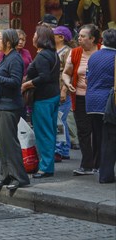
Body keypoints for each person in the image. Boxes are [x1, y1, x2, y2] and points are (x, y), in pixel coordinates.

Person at [0, 29, 30, 190]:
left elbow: (15, 83)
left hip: (10, 106)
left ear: (9, 42)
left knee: (10, 143)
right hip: (1, 104)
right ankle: (7, 175)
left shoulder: (15, 59)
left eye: (0, 39)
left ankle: (19, 177)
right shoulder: (5, 58)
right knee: (2, 143)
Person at [22, 26, 60, 179]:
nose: (33, 37)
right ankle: (47, 165)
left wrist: (26, 84)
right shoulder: (53, 54)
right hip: (53, 96)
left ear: (41, 38)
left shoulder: (43, 56)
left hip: (43, 98)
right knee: (50, 132)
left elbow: (44, 77)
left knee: (43, 133)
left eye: (35, 34)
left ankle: (45, 168)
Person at [62, 24, 101, 176]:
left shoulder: (102, 50)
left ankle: (99, 163)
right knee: (83, 131)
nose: (79, 38)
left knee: (98, 131)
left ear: (92, 39)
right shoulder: (75, 52)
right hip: (80, 96)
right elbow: (66, 73)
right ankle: (87, 164)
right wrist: (67, 83)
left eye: (83, 36)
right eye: (79, 36)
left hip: (98, 98)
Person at [87, 29, 116, 183]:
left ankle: (100, 169)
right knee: (109, 139)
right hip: (109, 103)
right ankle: (105, 173)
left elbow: (87, 77)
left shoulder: (94, 56)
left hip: (92, 101)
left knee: (99, 137)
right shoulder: (114, 57)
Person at [53, 26, 74, 161]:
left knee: (59, 120)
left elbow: (69, 73)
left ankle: (60, 149)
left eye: (54, 34)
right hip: (54, 89)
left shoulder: (67, 52)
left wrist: (64, 91)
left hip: (62, 90)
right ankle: (64, 149)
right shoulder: (54, 50)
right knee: (61, 119)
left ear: (61, 37)